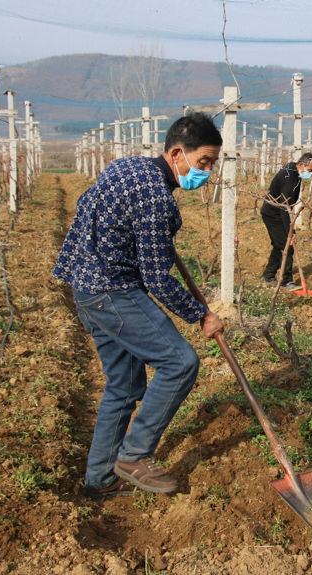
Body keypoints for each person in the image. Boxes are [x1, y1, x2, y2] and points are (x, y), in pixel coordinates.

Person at [53, 113, 225, 498]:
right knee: (180, 363)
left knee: (124, 386)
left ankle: (100, 479)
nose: (208, 172)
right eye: (203, 162)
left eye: (213, 163)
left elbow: (86, 204)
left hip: (86, 289)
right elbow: (156, 278)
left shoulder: (128, 167)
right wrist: (202, 315)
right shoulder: (155, 197)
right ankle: (134, 455)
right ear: (177, 153)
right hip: (113, 291)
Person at [260, 152, 312, 290]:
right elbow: (284, 207)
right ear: (301, 164)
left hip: (279, 212)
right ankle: (286, 280)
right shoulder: (289, 177)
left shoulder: (294, 171)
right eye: (310, 171)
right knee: (287, 246)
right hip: (273, 213)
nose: (310, 174)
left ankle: (268, 275)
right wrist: (290, 232)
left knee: (279, 244)